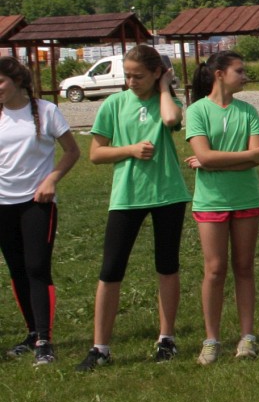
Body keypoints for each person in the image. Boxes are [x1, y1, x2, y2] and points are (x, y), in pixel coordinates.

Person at [77, 45, 188, 371]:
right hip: (127, 196)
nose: (131, 81)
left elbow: (171, 119)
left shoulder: (167, 101)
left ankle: (166, 340)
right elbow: (96, 153)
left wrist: (165, 87)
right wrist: (130, 150)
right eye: (127, 75)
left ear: (156, 73)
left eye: (138, 76)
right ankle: (100, 348)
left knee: (167, 266)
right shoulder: (114, 104)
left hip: (168, 194)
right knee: (110, 270)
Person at [185, 51, 259, 364]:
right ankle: (212, 339)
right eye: (239, 71)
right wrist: (241, 158)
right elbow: (206, 155)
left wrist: (213, 161)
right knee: (215, 269)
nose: (245, 76)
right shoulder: (197, 110)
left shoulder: (248, 111)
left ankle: (247, 337)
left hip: (246, 199)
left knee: (244, 267)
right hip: (211, 201)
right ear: (219, 74)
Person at [0, 57, 80, 366]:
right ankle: (32, 333)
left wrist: (51, 180)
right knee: (17, 269)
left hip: (37, 203)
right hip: (3, 205)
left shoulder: (46, 111)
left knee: (36, 268)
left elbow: (72, 151)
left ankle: (45, 341)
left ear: (17, 81)